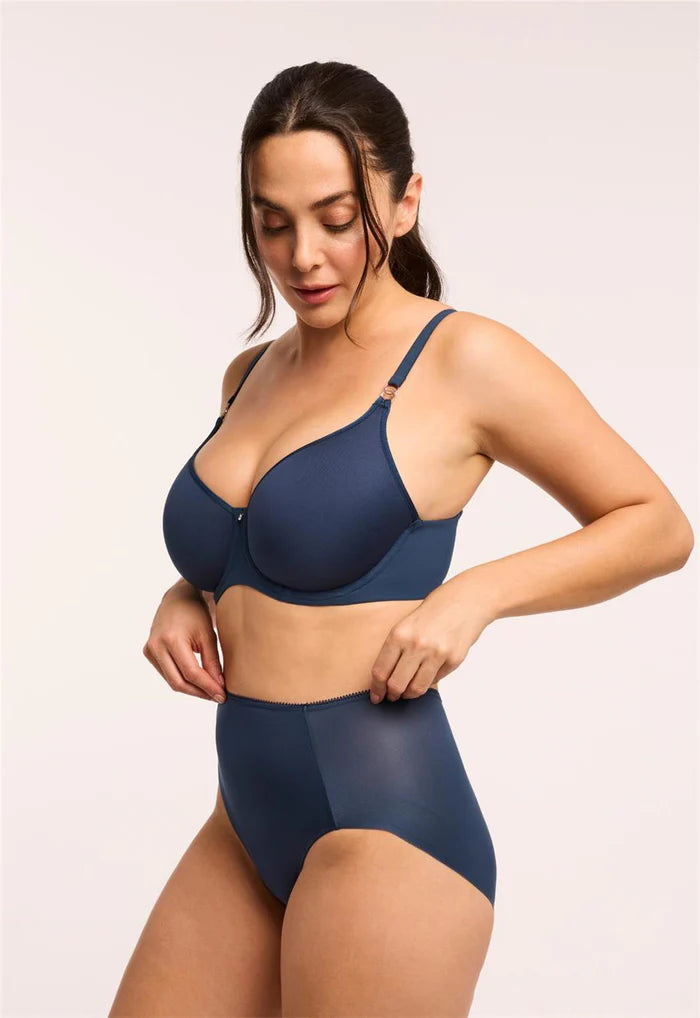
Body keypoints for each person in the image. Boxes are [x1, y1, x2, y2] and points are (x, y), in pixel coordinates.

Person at [108, 61, 694, 1018]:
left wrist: (473, 598)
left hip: (386, 826)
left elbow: (656, 523)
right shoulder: (248, 374)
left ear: (405, 200)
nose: (303, 257)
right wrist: (188, 589)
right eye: (273, 222)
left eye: (338, 219)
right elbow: (255, 546)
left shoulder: (464, 359)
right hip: (242, 826)